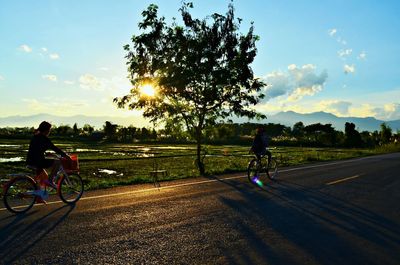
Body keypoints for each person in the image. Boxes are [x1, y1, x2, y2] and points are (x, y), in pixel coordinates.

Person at [26, 121, 70, 202]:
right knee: (58, 162)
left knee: (43, 178)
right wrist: (66, 156)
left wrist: (46, 153)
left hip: (30, 161)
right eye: (49, 130)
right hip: (38, 162)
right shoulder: (44, 138)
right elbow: (55, 148)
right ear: (46, 130)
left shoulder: (35, 136)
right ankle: (51, 181)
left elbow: (36, 150)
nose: (49, 131)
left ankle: (39, 198)